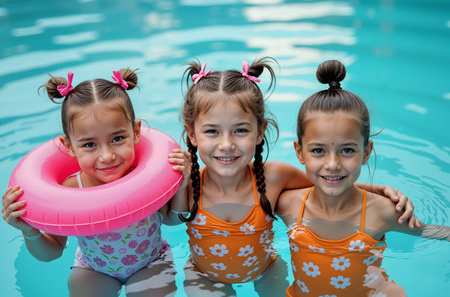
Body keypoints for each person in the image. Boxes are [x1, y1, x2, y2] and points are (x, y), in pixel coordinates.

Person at [169, 58, 419, 296]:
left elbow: (326, 183)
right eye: (212, 131)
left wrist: (380, 191)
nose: (226, 144)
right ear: (191, 134)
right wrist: (181, 187)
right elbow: (172, 221)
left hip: (266, 270)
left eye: (240, 130)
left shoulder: (274, 177)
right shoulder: (188, 181)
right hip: (204, 274)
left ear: (260, 132)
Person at [1, 69, 190, 297]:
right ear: (69, 147)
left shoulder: (145, 179)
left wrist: (181, 187)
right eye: (90, 145)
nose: (107, 156)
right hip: (94, 268)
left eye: (117, 139)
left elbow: (173, 220)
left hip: (152, 261)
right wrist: (29, 232)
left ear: (136, 132)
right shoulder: (70, 191)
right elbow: (52, 253)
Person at [276, 60, 450, 297]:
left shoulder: (383, 211)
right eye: (318, 151)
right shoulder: (288, 204)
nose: (333, 164)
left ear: (366, 152)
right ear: (299, 152)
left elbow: (435, 233)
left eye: (347, 150)